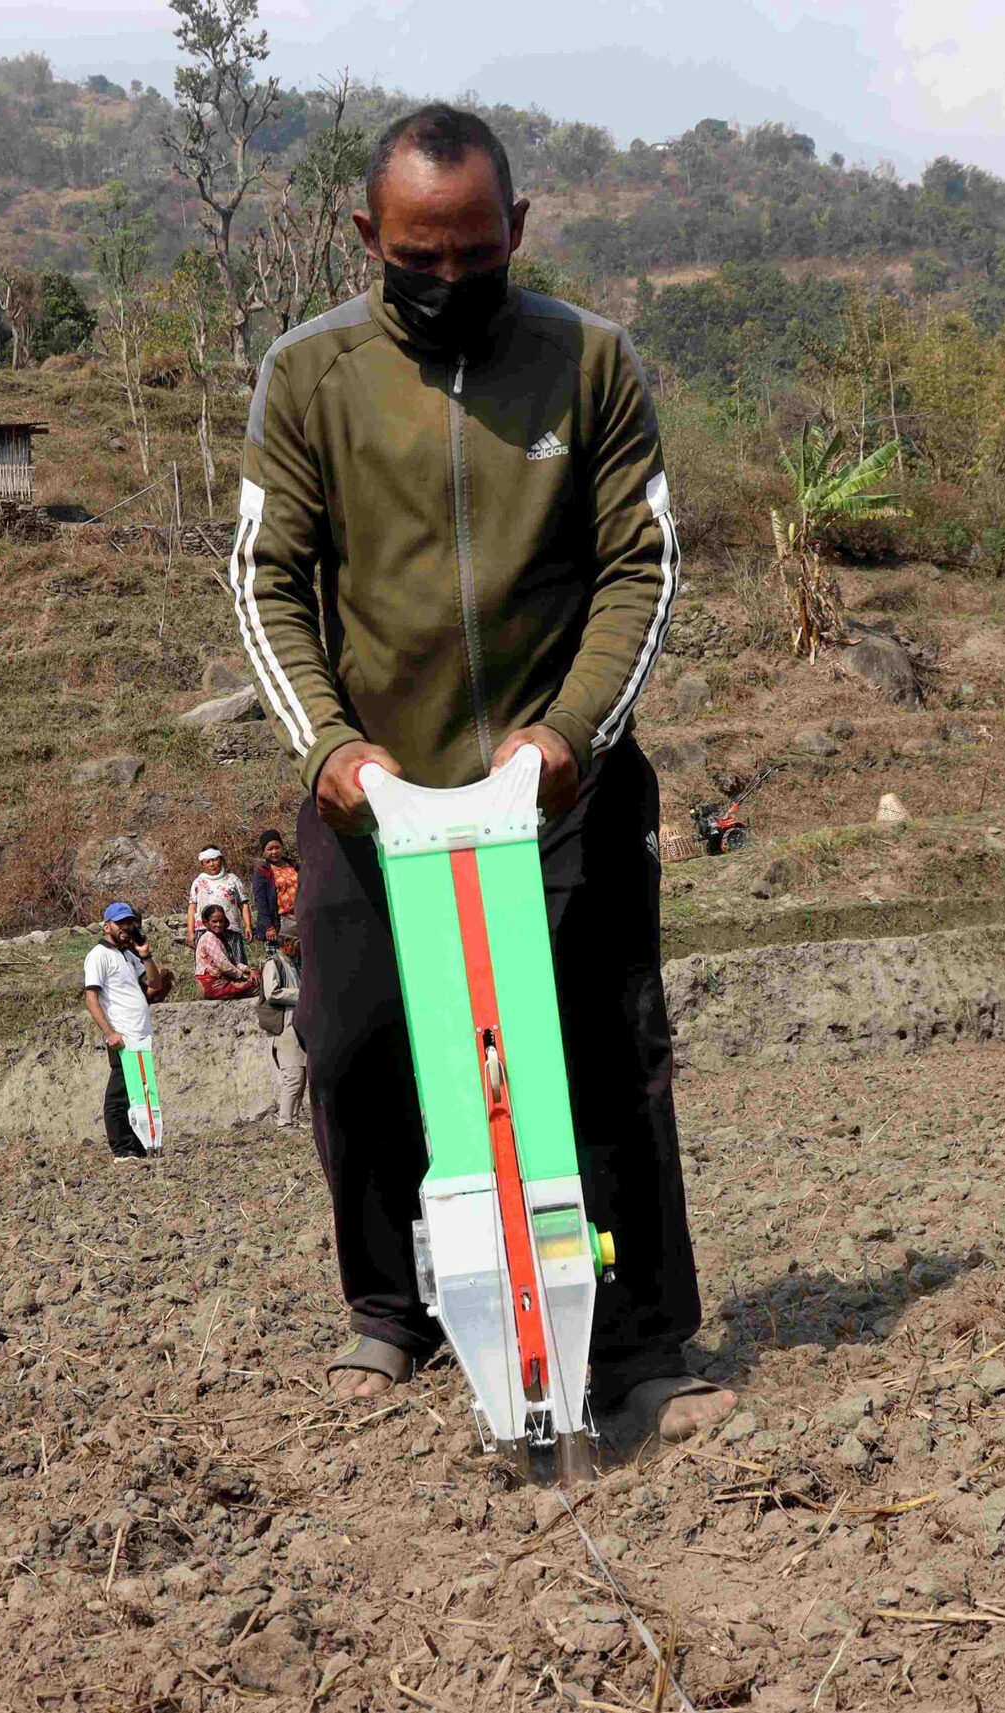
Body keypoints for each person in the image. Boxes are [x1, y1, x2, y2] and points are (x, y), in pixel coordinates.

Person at [222, 103, 736, 1448]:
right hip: (375, 788)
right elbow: (267, 580)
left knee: (605, 1048)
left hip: (562, 780)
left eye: (474, 254)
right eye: (417, 259)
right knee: (355, 1045)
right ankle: (391, 1310)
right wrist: (334, 750)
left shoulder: (589, 363)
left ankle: (639, 1343)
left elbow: (641, 566)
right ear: (366, 236)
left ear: (516, 227)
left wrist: (568, 735)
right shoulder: (310, 374)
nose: (448, 281)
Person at [80, 902, 165, 1162]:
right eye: (120, 923)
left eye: (129, 922)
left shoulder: (129, 956)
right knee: (119, 1095)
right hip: (122, 1036)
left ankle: (137, 1145)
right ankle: (122, 1148)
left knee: (137, 1093)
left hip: (140, 1034)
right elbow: (91, 998)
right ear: (106, 927)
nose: (126, 927)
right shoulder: (98, 955)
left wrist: (146, 955)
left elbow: (155, 984)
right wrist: (109, 1033)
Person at [259, 936, 307, 1126]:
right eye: (297, 945)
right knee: (293, 1076)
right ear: (287, 943)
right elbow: (272, 992)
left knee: (300, 1076)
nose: (300, 949)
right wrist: (301, 994)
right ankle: (285, 1123)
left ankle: (293, 1120)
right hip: (283, 1027)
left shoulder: (292, 964)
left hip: (294, 1027)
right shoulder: (274, 964)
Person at [188, 847, 250, 965]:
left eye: (215, 860)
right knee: (209, 967)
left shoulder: (233, 879)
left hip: (230, 929)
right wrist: (191, 932)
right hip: (204, 931)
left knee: (236, 965)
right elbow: (192, 908)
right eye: (208, 861)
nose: (212, 864)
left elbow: (243, 904)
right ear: (202, 864)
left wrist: (248, 925)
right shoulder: (198, 882)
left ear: (221, 860)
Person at [193, 905, 258, 1000]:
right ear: (206, 923)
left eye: (221, 921)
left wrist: (246, 969)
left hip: (220, 980)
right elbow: (224, 964)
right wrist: (242, 976)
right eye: (214, 922)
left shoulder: (220, 937)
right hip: (212, 984)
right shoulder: (209, 937)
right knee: (255, 983)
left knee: (256, 974)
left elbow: (232, 961)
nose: (218, 924)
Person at [249, 829, 299, 949]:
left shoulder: (293, 865)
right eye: (270, 849)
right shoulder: (262, 872)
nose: (274, 852)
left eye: (277, 847)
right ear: (264, 851)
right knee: (280, 958)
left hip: (300, 918)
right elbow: (261, 901)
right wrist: (269, 927)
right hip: (280, 922)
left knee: (303, 957)